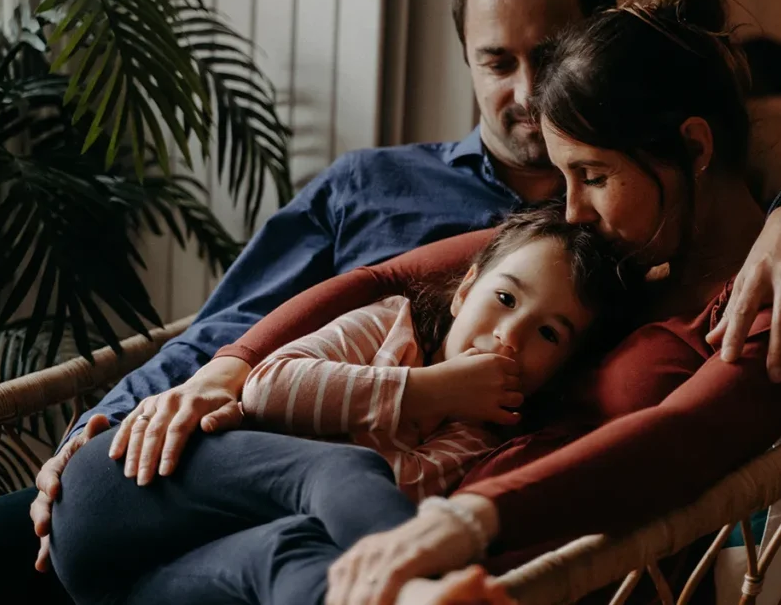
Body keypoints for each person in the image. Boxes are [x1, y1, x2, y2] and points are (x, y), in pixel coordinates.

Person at [0, 0, 781, 601]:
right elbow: (378, 279)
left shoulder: (770, 284)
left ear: (691, 148)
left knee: (292, 563)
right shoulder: (607, 241)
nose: (566, 205)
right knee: (317, 484)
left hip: (327, 545)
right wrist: (226, 371)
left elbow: (683, 437)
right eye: (497, 59)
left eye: (592, 175)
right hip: (242, 476)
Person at [49, 205, 633, 605]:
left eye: (550, 334)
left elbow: (371, 519)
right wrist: (432, 389)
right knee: (348, 468)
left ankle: (407, 597)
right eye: (504, 298)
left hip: (138, 587)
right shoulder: (388, 326)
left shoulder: (476, 441)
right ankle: (419, 590)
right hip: (127, 488)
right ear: (465, 289)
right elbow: (267, 389)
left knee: (293, 552)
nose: (511, 336)